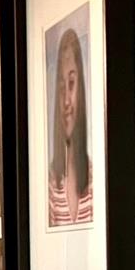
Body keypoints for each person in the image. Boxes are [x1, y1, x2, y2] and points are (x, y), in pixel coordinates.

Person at [48, 26, 92, 227]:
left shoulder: (95, 177)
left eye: (72, 83)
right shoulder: (50, 183)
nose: (66, 101)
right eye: (61, 87)